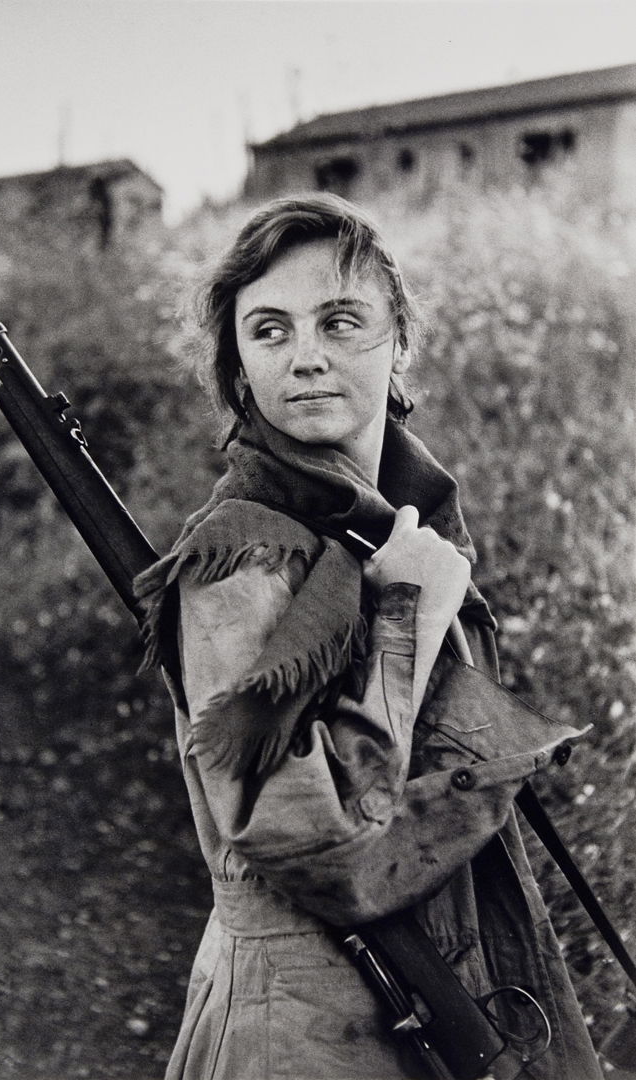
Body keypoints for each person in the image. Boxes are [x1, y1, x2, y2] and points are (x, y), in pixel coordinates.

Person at [135, 194, 603, 1080]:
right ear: (238, 369)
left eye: (339, 321)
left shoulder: (401, 528)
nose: (305, 357)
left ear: (397, 343)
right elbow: (312, 840)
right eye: (268, 331)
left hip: (435, 997)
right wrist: (405, 615)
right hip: (307, 1035)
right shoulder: (239, 559)